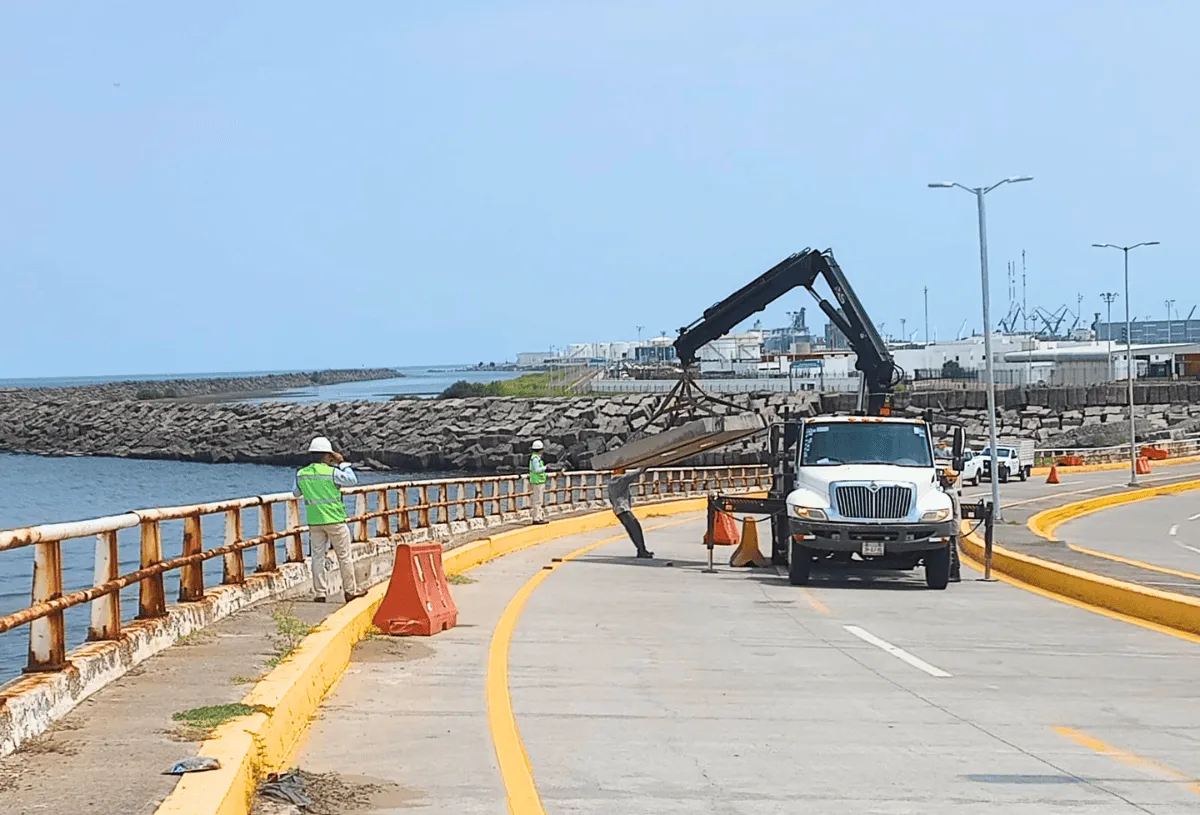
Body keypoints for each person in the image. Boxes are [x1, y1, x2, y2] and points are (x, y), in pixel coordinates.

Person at [293, 436, 366, 603]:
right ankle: (350, 591)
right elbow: (352, 480)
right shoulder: (332, 472)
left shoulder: (301, 474)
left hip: (315, 521)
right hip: (335, 520)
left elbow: (295, 493)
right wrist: (343, 463)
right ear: (327, 456)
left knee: (317, 557)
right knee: (344, 556)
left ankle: (320, 593)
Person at [607, 468, 653, 559]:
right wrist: (648, 464)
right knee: (635, 529)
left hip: (618, 510)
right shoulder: (621, 479)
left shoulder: (611, 482)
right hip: (624, 509)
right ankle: (641, 551)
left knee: (632, 530)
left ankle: (641, 550)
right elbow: (637, 472)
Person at [529, 440, 548, 525]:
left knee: (539, 500)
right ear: (540, 449)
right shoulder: (535, 459)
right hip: (537, 481)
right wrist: (545, 468)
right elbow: (537, 470)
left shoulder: (535, 458)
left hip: (538, 481)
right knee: (537, 501)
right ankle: (536, 518)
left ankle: (539, 517)